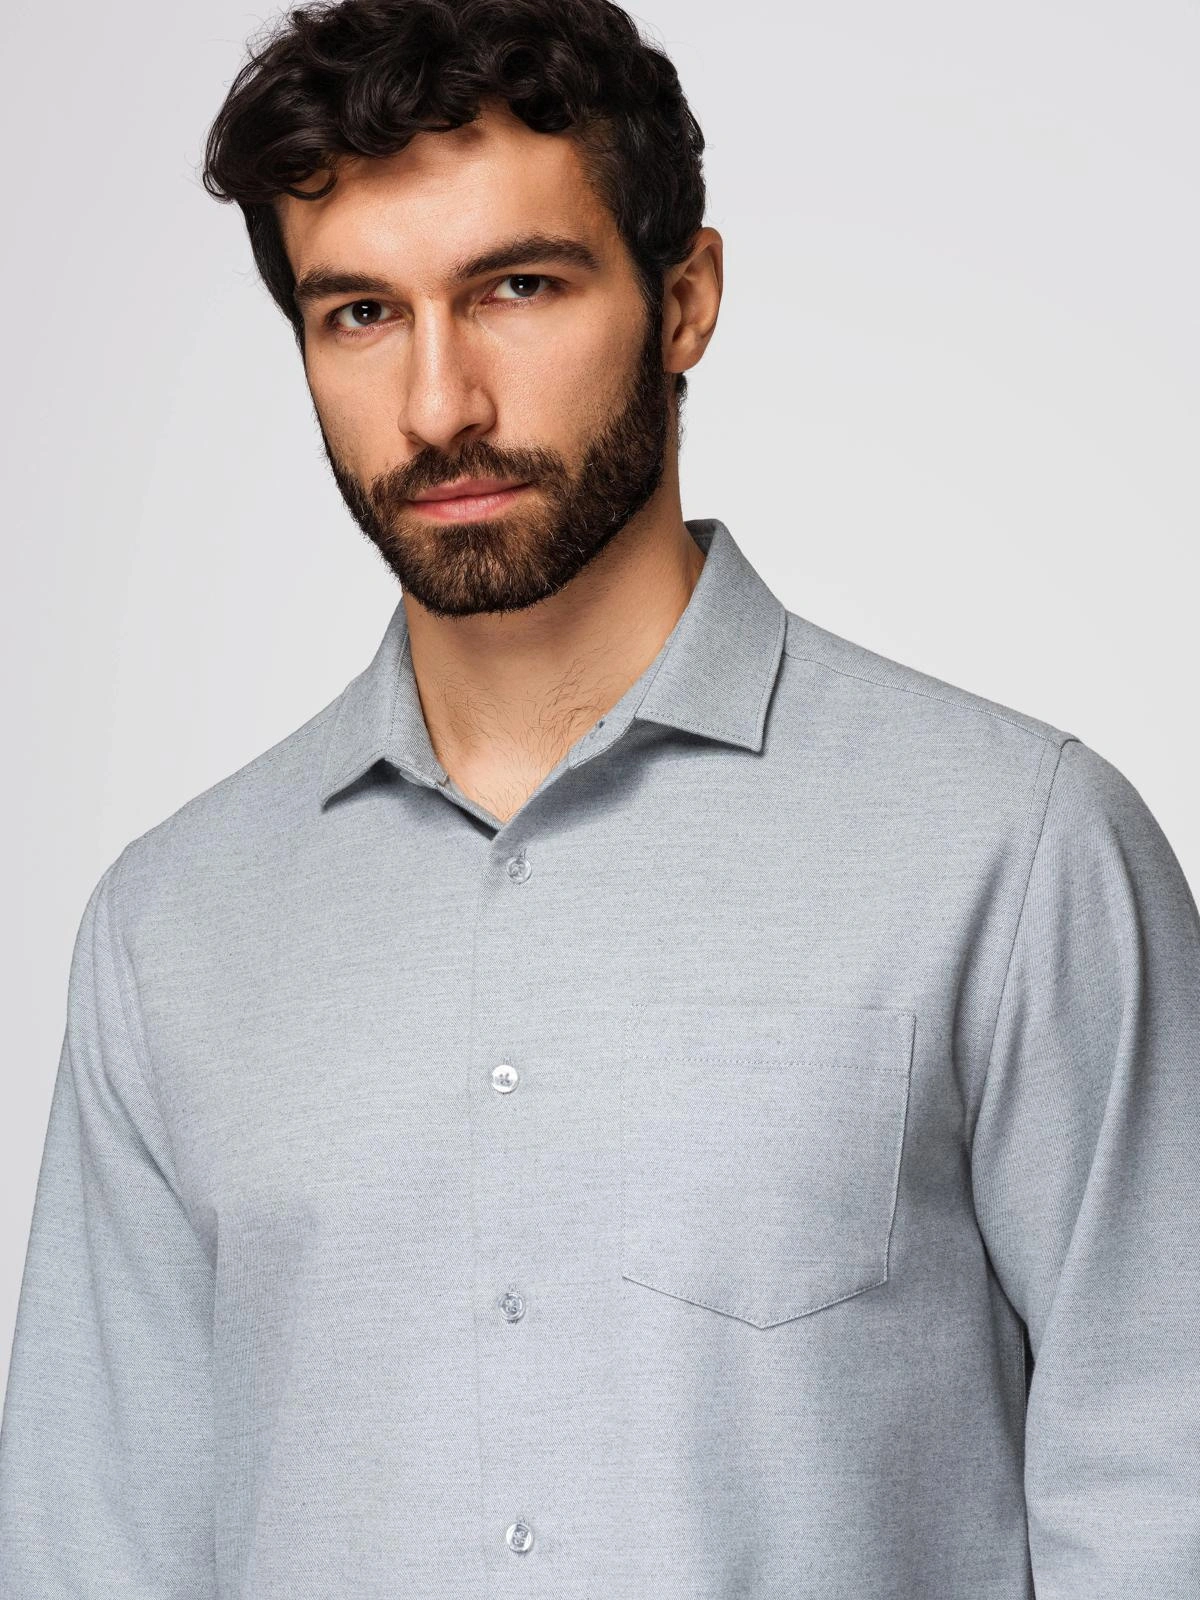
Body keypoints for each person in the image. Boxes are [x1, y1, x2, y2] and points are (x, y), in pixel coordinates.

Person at [1, 0, 1197, 1593]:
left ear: (683, 299)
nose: (438, 406)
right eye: (360, 313)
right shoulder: (171, 932)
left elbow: (1164, 1495)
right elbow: (95, 1550)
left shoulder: (1020, 852)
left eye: (518, 287)